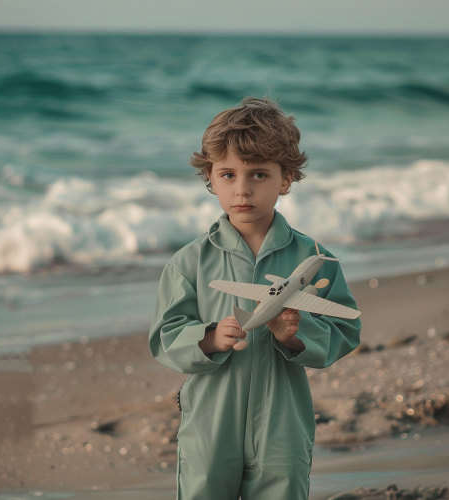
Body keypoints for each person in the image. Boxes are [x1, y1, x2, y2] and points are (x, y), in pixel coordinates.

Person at [149, 97, 361, 500]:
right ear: (210, 178)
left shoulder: (315, 258)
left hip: (282, 420)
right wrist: (209, 338)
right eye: (228, 174)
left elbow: (346, 327)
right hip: (211, 421)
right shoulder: (188, 262)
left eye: (259, 174)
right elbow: (164, 336)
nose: (242, 189)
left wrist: (294, 335)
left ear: (286, 179)